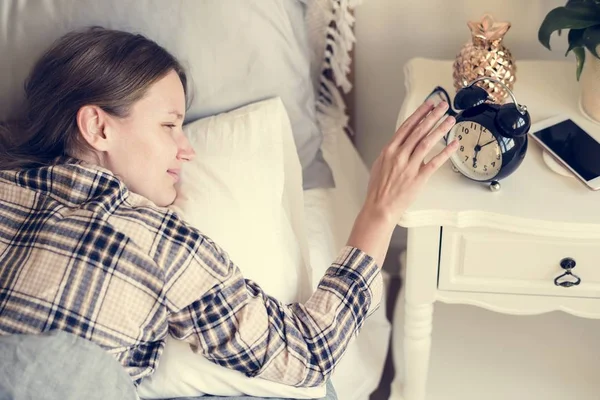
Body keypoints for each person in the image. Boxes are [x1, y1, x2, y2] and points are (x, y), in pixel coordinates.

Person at [0, 27, 458, 399]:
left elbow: (301, 357)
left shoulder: (162, 238)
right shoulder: (153, 238)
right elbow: (308, 353)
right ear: (99, 126)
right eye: (169, 125)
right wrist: (380, 214)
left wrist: (377, 215)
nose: (187, 151)